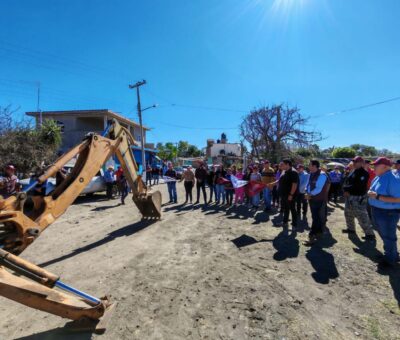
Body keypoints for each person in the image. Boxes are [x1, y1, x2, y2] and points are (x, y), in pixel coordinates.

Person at [367, 157, 400, 268]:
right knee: (385, 235)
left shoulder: (393, 179)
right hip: (378, 211)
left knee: (388, 236)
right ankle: (392, 255)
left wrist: (378, 196)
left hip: (388, 213)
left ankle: (390, 259)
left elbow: (398, 199)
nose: (373, 167)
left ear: (385, 167)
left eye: (376, 165)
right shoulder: (379, 177)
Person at [342, 156, 375, 240]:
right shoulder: (353, 171)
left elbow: (358, 185)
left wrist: (346, 189)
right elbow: (347, 181)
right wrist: (345, 189)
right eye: (353, 162)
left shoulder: (364, 173)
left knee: (361, 215)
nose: (354, 163)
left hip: (358, 197)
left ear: (361, 163)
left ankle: (370, 234)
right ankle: (351, 229)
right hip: (350, 196)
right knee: (348, 213)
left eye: (356, 162)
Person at [305, 160, 330, 245]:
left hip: (318, 199)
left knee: (316, 217)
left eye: (310, 165)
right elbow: (307, 184)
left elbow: (318, 188)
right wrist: (306, 192)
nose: (308, 167)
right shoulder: (311, 173)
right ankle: (319, 232)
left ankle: (312, 235)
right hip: (311, 198)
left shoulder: (322, 175)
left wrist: (310, 194)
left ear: (315, 166)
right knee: (315, 216)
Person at [270, 159, 299, 227]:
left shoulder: (294, 172)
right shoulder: (283, 171)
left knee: (292, 208)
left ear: (287, 164)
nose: (280, 166)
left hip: (290, 195)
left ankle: (294, 224)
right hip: (284, 194)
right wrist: (272, 184)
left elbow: (294, 185)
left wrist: (291, 194)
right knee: (286, 208)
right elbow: (279, 181)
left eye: (282, 164)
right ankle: (285, 222)